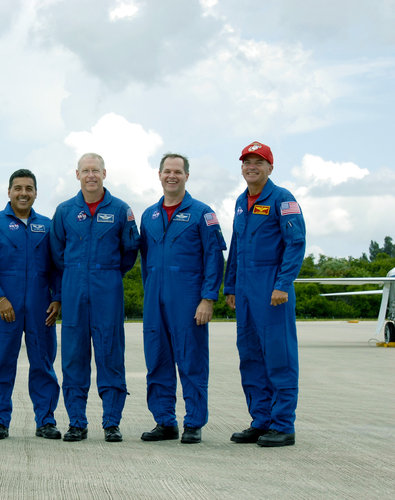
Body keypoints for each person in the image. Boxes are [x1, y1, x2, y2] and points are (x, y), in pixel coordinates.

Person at [50, 153, 139, 442]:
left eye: (96, 170)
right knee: (74, 357)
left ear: (104, 173)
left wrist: (108, 273)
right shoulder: (64, 211)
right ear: (77, 174)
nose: (91, 175)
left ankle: (111, 422)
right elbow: (56, 254)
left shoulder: (121, 210)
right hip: (74, 286)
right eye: (86, 170)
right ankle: (77, 421)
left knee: (110, 354)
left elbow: (129, 251)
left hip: (107, 286)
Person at [139, 154, 226, 445]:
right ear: (159, 175)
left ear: (187, 176)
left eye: (178, 171)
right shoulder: (149, 215)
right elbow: (145, 261)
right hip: (155, 300)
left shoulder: (202, 213)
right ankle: (165, 422)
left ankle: (193, 423)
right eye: (167, 171)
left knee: (191, 361)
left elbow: (214, 258)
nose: (172, 176)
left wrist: (208, 298)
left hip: (188, 300)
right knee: (157, 361)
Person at [224, 141, 306, 447]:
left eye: (258, 162)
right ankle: (260, 420)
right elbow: (236, 247)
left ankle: (283, 424)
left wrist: (283, 284)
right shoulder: (240, 202)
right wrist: (230, 286)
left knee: (279, 356)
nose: (252, 167)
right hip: (244, 290)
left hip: (272, 288)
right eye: (247, 162)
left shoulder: (283, 199)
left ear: (270, 168)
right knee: (251, 357)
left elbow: (295, 243)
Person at [0, 169, 62, 440]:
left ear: (36, 193)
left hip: (40, 307)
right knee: (1, 363)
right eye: (18, 188)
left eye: (29, 188)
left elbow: (59, 264)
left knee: (43, 364)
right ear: (9, 191)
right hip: (4, 307)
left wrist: (57, 297)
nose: (23, 193)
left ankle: (45, 420)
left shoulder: (48, 226)